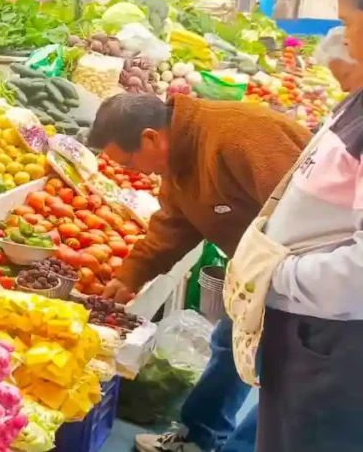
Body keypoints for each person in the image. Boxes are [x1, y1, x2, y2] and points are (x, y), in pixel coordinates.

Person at [87, 93, 310, 452]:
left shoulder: (238, 135)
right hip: (259, 272)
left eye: (128, 162)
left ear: (150, 138)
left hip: (308, 274)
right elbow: (174, 224)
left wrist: (289, 285)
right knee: (230, 345)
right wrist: (130, 275)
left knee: (284, 371)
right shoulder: (179, 157)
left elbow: (303, 211)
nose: (133, 173)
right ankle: (198, 436)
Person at [240, 0, 363, 451]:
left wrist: (277, 275)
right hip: (309, 332)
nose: (347, 41)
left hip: (333, 344)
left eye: (351, 24)